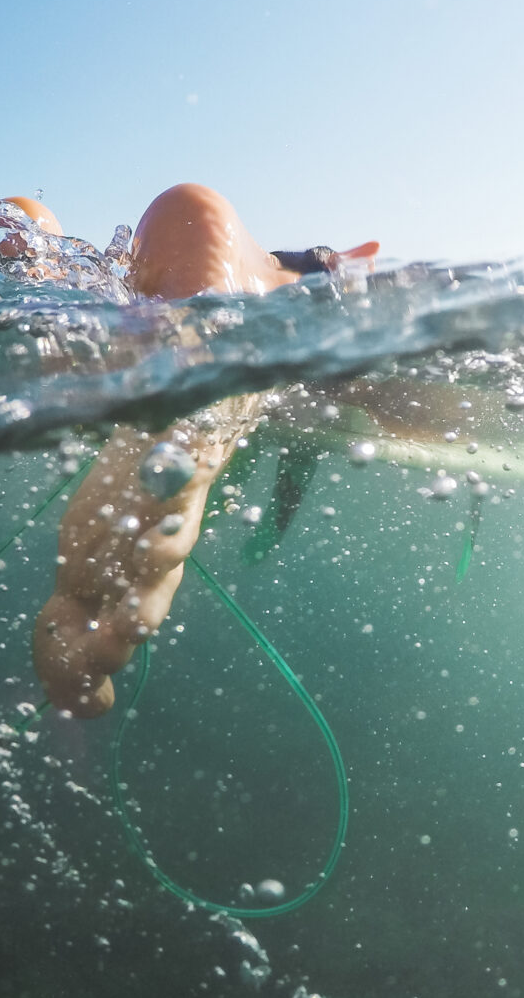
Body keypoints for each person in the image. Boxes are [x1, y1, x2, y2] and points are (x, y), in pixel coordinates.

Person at [30, 184, 378, 717]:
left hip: (137, 301)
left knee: (62, 283)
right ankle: (191, 422)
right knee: (206, 400)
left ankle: (27, 251)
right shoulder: (283, 293)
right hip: (244, 278)